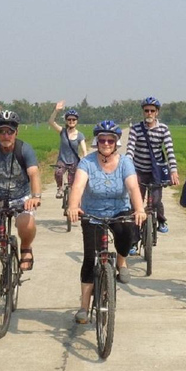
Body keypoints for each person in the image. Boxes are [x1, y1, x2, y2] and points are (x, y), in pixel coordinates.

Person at [66, 120, 146, 324]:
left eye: (111, 139)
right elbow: (78, 186)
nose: (106, 143)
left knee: (127, 234)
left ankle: (121, 260)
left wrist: (139, 209)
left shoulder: (125, 162)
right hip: (92, 213)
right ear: (97, 141)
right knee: (89, 257)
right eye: (102, 139)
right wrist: (74, 206)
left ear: (117, 142)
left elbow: (133, 187)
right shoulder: (87, 162)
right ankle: (84, 306)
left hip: (119, 211)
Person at [0, 110, 42, 305]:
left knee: (26, 222)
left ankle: (26, 247)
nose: (5, 136)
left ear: (16, 132)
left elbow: (34, 174)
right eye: (1, 131)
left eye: (9, 132)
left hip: (22, 198)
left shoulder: (24, 150)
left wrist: (35, 197)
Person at [125, 96, 179, 252]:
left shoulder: (163, 129)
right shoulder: (136, 129)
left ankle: (161, 220)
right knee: (135, 207)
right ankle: (134, 241)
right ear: (143, 112)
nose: (149, 113)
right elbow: (130, 150)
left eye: (152, 111)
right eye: (146, 110)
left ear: (157, 112)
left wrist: (173, 170)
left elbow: (169, 150)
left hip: (156, 172)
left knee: (155, 201)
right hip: (139, 171)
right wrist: (127, 170)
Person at [48, 101, 87, 199]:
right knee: (58, 172)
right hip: (62, 160)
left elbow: (84, 150)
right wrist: (56, 111)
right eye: (69, 119)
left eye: (74, 119)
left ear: (77, 121)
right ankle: (59, 188)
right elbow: (51, 122)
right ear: (66, 121)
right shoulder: (63, 132)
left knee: (72, 184)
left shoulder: (80, 135)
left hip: (74, 162)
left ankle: (71, 202)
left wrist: (85, 160)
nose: (71, 121)